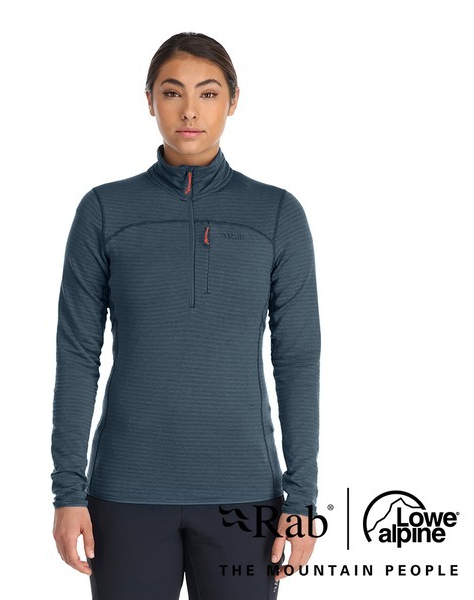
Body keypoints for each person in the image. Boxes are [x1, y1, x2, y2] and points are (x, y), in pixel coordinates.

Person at [51, 31, 321, 599]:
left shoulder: (276, 213)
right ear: (149, 100)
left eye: (208, 93)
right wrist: (68, 491)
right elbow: (77, 354)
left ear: (233, 100)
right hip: (124, 493)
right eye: (173, 92)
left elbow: (297, 359)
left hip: (245, 496)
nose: (190, 110)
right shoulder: (105, 210)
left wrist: (301, 499)